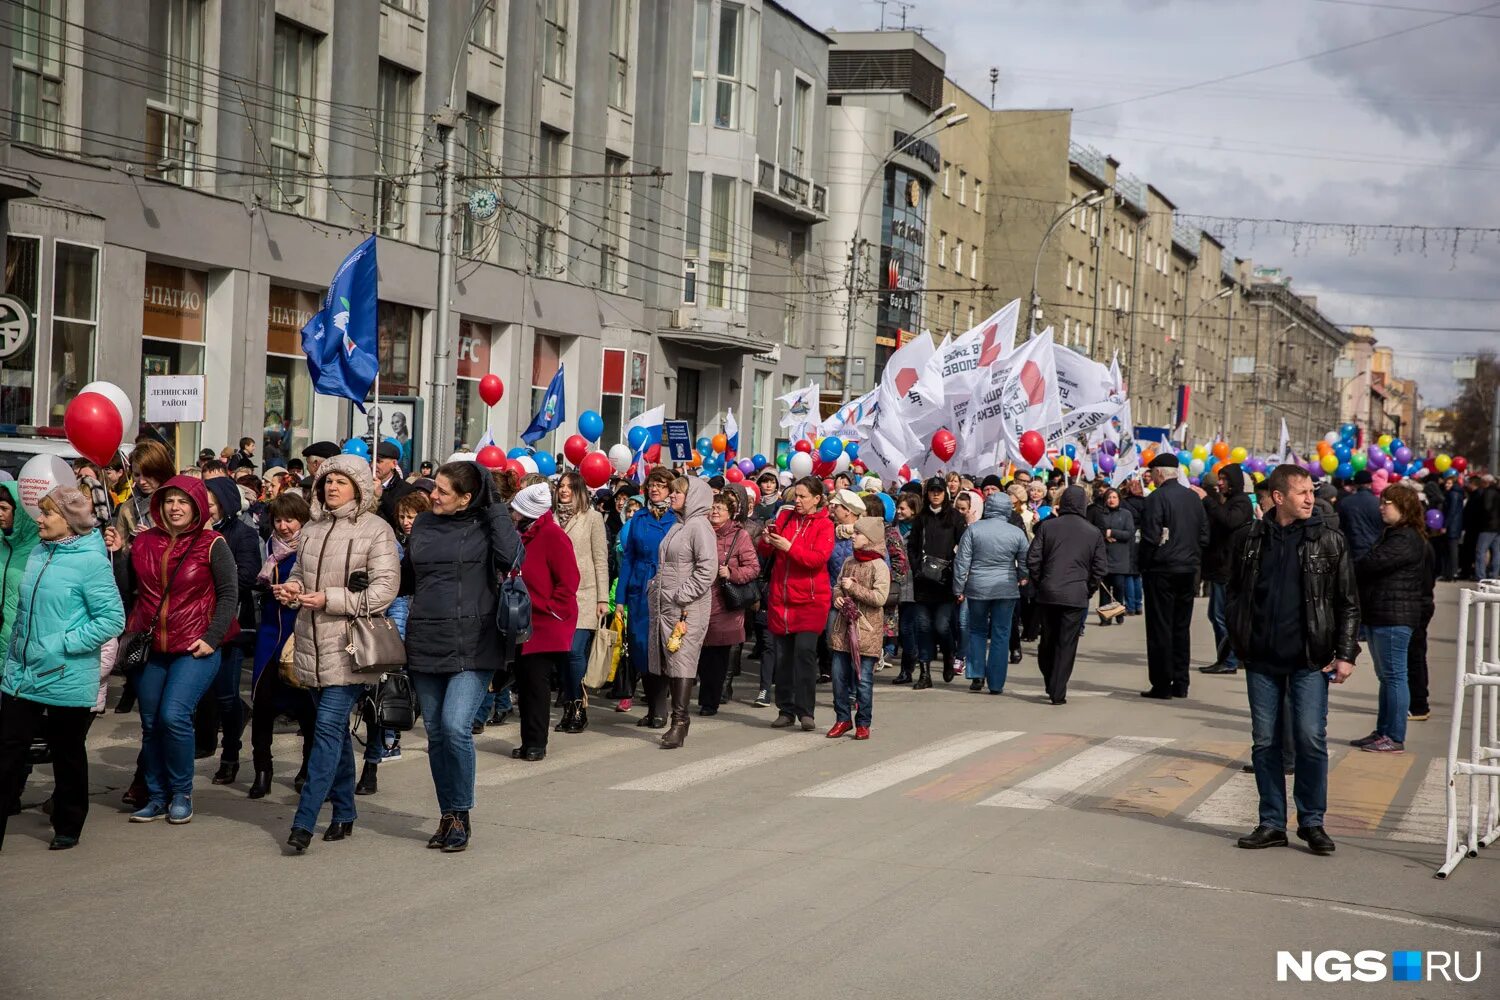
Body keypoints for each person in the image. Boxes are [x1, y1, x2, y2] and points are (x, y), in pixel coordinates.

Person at [1228, 464, 1359, 855]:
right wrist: (1240, 640)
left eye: (1311, 491)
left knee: (1310, 740)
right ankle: (1271, 822)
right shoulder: (1249, 539)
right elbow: (1234, 594)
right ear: (1279, 497)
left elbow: (1348, 602)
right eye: (1302, 492)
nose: (1310, 499)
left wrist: (1345, 653)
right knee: (1265, 743)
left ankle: (1312, 822)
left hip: (1310, 660)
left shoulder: (1329, 540)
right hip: (1262, 660)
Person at [274, 456, 399, 853]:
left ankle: (304, 820)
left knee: (326, 729)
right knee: (335, 734)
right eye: (328, 480)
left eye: (342, 481)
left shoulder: (376, 530)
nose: (332, 487)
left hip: (352, 646)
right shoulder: (310, 528)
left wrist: (330, 598)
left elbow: (383, 592)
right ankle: (344, 811)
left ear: (360, 486)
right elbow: (300, 575)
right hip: (311, 643)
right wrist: (291, 590)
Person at [401, 461, 522, 851]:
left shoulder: (487, 525)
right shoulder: (422, 525)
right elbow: (408, 576)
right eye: (433, 487)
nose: (432, 495)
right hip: (425, 639)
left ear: (467, 497)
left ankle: (461, 811)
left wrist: (495, 506)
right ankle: (447, 813)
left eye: (442, 491)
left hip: (475, 640)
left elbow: (511, 558)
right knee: (436, 734)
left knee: (455, 728)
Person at [0, 488, 125, 850]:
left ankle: (69, 822)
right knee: (7, 749)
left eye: (47, 514)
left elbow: (112, 619)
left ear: (68, 523)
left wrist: (63, 644)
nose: (39, 519)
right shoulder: (40, 552)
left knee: (66, 751)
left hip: (65, 673)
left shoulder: (91, 561)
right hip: (22, 671)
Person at [125, 476, 240, 825]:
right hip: (151, 647)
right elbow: (128, 589)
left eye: (183, 501)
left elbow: (229, 595)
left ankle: (181, 792)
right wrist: (117, 554)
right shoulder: (143, 542)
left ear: (197, 507)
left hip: (195, 647)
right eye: (169, 500)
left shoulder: (212, 543)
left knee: (173, 716)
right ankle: (156, 795)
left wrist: (212, 636)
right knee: (149, 724)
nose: (175, 507)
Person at [1348, 485, 1430, 754]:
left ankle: (1394, 735)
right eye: (1382, 502)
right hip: (1383, 613)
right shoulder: (1394, 534)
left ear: (1404, 508)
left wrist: (1362, 563)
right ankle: (1383, 730)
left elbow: (1370, 564)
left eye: (1388, 503)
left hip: (1394, 615)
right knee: (1387, 677)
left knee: (1395, 677)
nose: (1381, 507)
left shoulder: (1405, 538)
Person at [247, 492, 316, 799]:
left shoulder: (312, 550)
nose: (284, 526)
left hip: (300, 635)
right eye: (278, 520)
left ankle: (308, 768)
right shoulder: (269, 548)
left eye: (290, 519)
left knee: (306, 709)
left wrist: (295, 596)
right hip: (270, 635)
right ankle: (263, 770)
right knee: (261, 705)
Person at [510, 483, 581, 761]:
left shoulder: (553, 535)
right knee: (526, 685)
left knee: (536, 686)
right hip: (524, 619)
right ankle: (528, 740)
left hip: (546, 623)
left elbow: (569, 580)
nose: (513, 516)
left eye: (517, 511)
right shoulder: (524, 536)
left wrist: (552, 609)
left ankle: (536, 743)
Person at [760, 476, 835, 730]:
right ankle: (785, 708)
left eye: (803, 496)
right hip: (782, 599)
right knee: (783, 658)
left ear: (817, 499)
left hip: (811, 601)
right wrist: (767, 540)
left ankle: (806, 711)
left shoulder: (825, 525)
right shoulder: (786, 517)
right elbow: (766, 550)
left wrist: (789, 546)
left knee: (804, 653)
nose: (798, 500)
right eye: (796, 495)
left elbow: (817, 559)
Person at [202, 476, 262, 786]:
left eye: (211, 505)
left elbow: (247, 577)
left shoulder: (242, 535)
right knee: (205, 694)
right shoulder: (192, 532)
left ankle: (231, 755)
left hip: (230, 626)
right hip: (196, 624)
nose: (206, 510)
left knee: (226, 695)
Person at [648, 478, 717, 748]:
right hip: (668, 605)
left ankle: (680, 721)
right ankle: (672, 717)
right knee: (670, 661)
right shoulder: (679, 524)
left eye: (678, 492)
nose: (672, 495)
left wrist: (681, 594)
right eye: (673, 491)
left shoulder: (699, 527)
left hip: (688, 608)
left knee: (682, 661)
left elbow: (707, 569)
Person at [1026, 486, 1107, 705]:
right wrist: (1088, 588)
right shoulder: (1093, 532)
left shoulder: (1048, 527)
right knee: (1066, 644)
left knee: (1048, 640)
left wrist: (1041, 580)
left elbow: (1032, 558)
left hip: (1049, 592)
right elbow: (1100, 568)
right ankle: (1057, 689)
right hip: (1075, 594)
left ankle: (1051, 681)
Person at [1139, 454, 1209, 700]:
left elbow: (1149, 537)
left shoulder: (1157, 498)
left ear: (1159, 473)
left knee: (1160, 628)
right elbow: (1204, 535)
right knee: (1181, 627)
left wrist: (1144, 564)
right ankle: (1181, 681)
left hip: (1162, 570)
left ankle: (1161, 683)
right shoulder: (1192, 498)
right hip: (1188, 570)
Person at [952, 490, 1029, 695]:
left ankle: (977, 676)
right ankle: (996, 683)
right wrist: (1023, 576)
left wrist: (958, 588)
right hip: (1006, 586)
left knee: (976, 630)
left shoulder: (974, 530)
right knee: (1001, 634)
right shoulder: (1016, 532)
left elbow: (961, 562)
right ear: (1006, 509)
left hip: (977, 586)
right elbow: (1024, 560)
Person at [617, 468, 677, 723]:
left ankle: (660, 708)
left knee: (662, 648)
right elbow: (628, 557)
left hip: (666, 588)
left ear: (670, 490)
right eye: (652, 484)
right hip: (639, 589)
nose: (655, 489)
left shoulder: (677, 518)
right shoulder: (639, 517)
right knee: (641, 648)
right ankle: (653, 706)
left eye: (661, 485)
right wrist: (620, 598)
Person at [827, 517, 891, 739]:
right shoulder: (848, 562)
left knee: (863, 681)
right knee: (838, 677)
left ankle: (863, 722)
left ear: (870, 539)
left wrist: (853, 588)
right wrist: (837, 597)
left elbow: (880, 597)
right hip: (843, 629)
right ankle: (842, 719)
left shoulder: (879, 566)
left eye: (858, 533)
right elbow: (837, 585)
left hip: (867, 631)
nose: (853, 536)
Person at [555, 472, 608, 734]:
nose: (564, 490)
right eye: (561, 486)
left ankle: (579, 706)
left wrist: (602, 598)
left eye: (569, 487)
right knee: (562, 656)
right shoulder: (551, 518)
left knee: (575, 652)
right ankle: (568, 707)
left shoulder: (592, 518)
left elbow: (600, 558)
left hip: (585, 595)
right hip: (557, 597)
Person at [699, 490, 759, 717]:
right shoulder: (701, 531)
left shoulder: (739, 536)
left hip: (725, 602)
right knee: (702, 654)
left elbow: (753, 568)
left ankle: (710, 700)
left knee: (718, 655)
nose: (714, 511)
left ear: (730, 514)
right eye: (712, 507)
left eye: (720, 508)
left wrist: (731, 572)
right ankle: (705, 695)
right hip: (701, 598)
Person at [906, 477, 967, 689]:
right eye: (932, 490)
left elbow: (964, 546)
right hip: (923, 583)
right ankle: (925, 674)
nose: (935, 494)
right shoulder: (921, 519)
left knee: (942, 626)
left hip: (945, 583)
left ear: (945, 493)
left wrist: (956, 571)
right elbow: (912, 547)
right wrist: (916, 568)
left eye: (939, 490)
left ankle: (949, 655)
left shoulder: (955, 518)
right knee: (923, 627)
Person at [1200, 464, 1253, 674]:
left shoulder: (1241, 502)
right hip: (1220, 568)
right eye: (1218, 479)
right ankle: (1225, 657)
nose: (1220, 482)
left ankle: (1229, 660)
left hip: (1228, 569)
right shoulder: (1230, 501)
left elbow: (1229, 521)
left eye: (1224, 479)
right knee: (1215, 615)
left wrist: (1207, 500)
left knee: (1221, 616)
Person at [0, 481, 41, 664]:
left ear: (20, 513)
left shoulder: (38, 549)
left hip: (20, 640)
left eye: (4, 508)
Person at [891, 493, 923, 685]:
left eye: (903, 508)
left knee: (906, 629)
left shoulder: (920, 530)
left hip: (913, 584)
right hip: (893, 584)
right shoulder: (892, 529)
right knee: (899, 630)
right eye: (898, 508)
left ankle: (907, 668)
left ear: (914, 509)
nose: (899, 511)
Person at [1096, 488, 1136, 629]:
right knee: (1105, 589)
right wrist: (1104, 535)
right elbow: (1095, 531)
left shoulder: (1125, 514)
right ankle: (1106, 618)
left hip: (1120, 557)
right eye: (1109, 497)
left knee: (1119, 587)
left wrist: (1112, 532)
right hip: (1104, 557)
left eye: (1114, 497)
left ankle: (1119, 613)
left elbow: (1129, 533)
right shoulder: (1100, 514)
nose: (1111, 500)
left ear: (1119, 499)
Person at [1338, 470, 1383, 563]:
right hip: (1375, 550)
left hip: (1352, 550)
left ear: (1355, 484)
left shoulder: (1345, 502)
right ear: (1370, 483)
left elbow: (1341, 527)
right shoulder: (1379, 503)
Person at [374, 440, 416, 532]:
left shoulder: (407, 490)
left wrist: (382, 495)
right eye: (371, 461)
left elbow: (400, 520)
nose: (373, 465)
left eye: (378, 461)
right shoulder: (365, 486)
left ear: (394, 464)